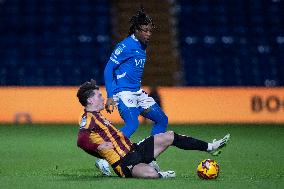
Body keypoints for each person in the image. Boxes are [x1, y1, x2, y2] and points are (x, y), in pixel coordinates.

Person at [76, 79, 230, 178]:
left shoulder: (99, 115)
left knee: (169, 136)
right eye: (98, 95)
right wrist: (99, 147)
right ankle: (159, 175)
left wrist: (99, 150)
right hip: (124, 163)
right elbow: (81, 141)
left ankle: (210, 146)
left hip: (135, 149)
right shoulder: (88, 118)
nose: (102, 98)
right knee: (151, 174)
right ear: (90, 100)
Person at [103, 8, 168, 138]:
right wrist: (110, 96)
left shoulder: (143, 45)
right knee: (132, 124)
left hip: (137, 92)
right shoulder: (125, 46)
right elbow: (108, 69)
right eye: (145, 31)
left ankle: (150, 155)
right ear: (136, 30)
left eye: (150, 31)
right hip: (123, 92)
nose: (148, 34)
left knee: (162, 120)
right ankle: (106, 156)